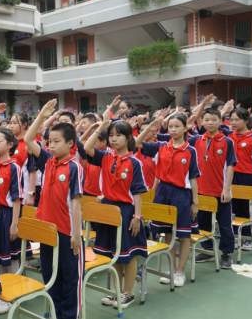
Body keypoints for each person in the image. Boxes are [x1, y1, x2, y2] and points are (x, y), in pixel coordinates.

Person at [25, 99, 84, 319]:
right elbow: (29, 139)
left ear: (70, 143)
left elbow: (77, 203)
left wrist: (76, 234)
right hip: (47, 230)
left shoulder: (74, 167)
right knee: (51, 275)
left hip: (68, 232)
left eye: (56, 141)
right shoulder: (48, 161)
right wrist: (41, 117)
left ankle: (69, 315)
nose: (51, 145)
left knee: (70, 278)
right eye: (49, 141)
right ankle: (57, 312)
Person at [84, 118, 148, 308]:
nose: (113, 139)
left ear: (129, 138)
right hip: (108, 211)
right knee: (114, 254)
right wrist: (99, 128)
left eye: (118, 135)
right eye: (111, 135)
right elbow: (86, 147)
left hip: (126, 212)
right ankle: (117, 292)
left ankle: (128, 293)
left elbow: (137, 194)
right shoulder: (105, 157)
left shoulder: (134, 163)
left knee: (129, 256)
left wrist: (137, 217)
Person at [136, 113, 200, 287]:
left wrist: (195, 203)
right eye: (170, 126)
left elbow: (193, 178)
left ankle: (180, 272)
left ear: (185, 127)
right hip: (162, 192)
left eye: (177, 126)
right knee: (168, 233)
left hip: (182, 195)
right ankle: (171, 269)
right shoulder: (161, 146)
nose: (173, 129)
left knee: (183, 235)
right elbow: (135, 144)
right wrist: (148, 129)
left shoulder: (191, 150)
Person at [190, 107, 237, 269]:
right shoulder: (195, 140)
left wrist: (227, 189)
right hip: (200, 191)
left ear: (221, 121)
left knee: (224, 224)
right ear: (202, 122)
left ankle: (226, 253)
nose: (210, 123)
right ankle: (207, 250)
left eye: (214, 120)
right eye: (207, 120)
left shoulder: (227, 141)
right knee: (202, 223)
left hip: (220, 190)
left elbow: (230, 165)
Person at [0, 127, 23, 315]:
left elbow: (17, 198)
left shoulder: (13, 167)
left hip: (7, 216)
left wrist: (14, 224)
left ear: (10, 145)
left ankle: (13, 296)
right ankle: (2, 293)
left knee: (10, 258)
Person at [226, 108, 252, 250]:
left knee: (248, 210)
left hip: (248, 177)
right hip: (231, 177)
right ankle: (238, 237)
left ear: (246, 121)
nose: (234, 122)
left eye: (237, 120)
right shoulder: (229, 136)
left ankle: (249, 239)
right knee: (234, 209)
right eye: (232, 120)